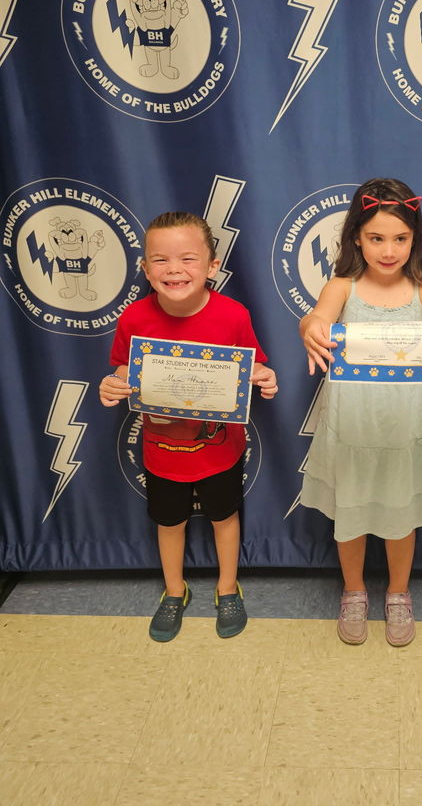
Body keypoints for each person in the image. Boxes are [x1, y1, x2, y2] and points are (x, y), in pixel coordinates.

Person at [299, 178, 422, 647]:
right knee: (348, 513)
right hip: (352, 425)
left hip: (407, 427)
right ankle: (352, 591)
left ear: (415, 239)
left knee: (401, 515)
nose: (389, 250)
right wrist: (309, 327)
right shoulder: (341, 286)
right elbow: (316, 317)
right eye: (376, 238)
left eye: (400, 238)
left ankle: (398, 594)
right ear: (356, 238)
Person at [99, 212, 277, 642]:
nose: (174, 270)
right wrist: (111, 386)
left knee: (224, 517)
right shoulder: (134, 319)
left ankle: (227, 588)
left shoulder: (233, 315)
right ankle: (174, 591)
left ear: (212, 267)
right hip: (161, 451)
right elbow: (123, 370)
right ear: (144, 269)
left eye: (188, 259)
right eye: (159, 260)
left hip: (221, 449)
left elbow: (256, 366)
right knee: (169, 522)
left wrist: (266, 379)